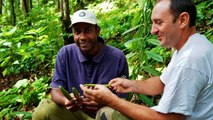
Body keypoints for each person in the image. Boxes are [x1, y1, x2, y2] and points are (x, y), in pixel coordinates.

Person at [80, 0, 213, 120]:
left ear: (183, 20)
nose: (153, 30)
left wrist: (111, 100)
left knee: (108, 113)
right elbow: (162, 83)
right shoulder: (195, 45)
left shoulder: (190, 60)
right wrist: (130, 85)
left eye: (159, 22)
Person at [32, 9, 129, 120]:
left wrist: (102, 103)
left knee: (109, 113)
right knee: (44, 110)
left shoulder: (117, 58)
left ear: (97, 31)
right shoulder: (65, 54)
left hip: (104, 114)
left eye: (87, 31)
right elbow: (55, 90)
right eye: (77, 32)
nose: (82, 37)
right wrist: (66, 100)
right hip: (75, 114)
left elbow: (123, 99)